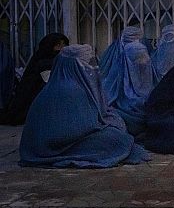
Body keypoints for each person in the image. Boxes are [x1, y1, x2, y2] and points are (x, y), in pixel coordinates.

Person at [18, 44, 150, 168]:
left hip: (63, 138)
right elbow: (81, 127)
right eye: (87, 64)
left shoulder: (74, 84)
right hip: (55, 144)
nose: (93, 68)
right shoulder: (69, 89)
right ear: (72, 66)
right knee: (115, 139)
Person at [0, 33, 69, 125]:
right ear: (50, 46)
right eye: (58, 45)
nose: (62, 48)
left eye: (64, 45)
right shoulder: (43, 64)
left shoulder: (60, 61)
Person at [104, 41, 157, 135]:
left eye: (146, 57)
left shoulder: (155, 80)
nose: (145, 61)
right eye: (139, 58)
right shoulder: (115, 85)